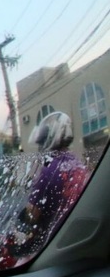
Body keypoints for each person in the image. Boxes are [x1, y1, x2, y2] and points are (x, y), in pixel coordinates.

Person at [17, 111, 88, 258]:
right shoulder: (78, 164)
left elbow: (33, 214)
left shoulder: (49, 171)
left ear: (50, 139)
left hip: (55, 244)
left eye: (42, 142)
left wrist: (22, 215)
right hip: (79, 234)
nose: (40, 148)